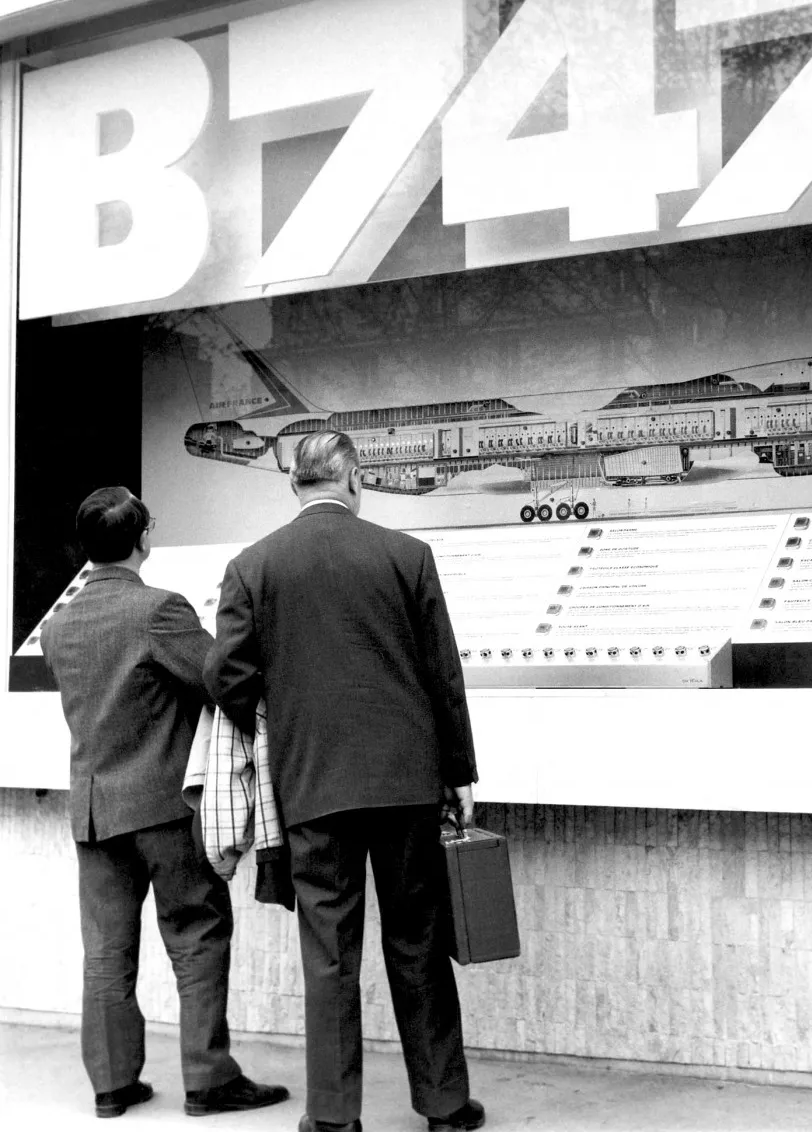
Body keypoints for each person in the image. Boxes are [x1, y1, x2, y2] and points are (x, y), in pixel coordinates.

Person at [205, 431, 484, 1132]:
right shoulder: (406, 556)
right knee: (417, 939)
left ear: (295, 485)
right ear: (354, 479)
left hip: (313, 784)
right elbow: (442, 675)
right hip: (406, 784)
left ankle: (333, 1117)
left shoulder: (252, 566)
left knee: (329, 952)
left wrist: (286, 714)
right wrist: (459, 772)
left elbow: (227, 678)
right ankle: (445, 1105)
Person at [39, 486, 290, 1120]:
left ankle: (112, 1085)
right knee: (197, 933)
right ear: (144, 539)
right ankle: (208, 1080)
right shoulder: (158, 610)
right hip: (162, 808)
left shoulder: (60, 623)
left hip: (94, 810)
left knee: (106, 951)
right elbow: (219, 676)